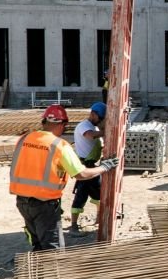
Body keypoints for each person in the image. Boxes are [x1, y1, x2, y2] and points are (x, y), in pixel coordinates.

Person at [8, 104, 117, 252]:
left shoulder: (23, 139)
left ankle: (38, 265)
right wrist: (105, 167)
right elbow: (81, 174)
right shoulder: (59, 145)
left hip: (22, 202)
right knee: (53, 250)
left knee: (38, 243)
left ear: (44, 121)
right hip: (44, 205)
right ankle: (49, 267)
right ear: (62, 125)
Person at [69, 101, 107, 235]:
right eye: (100, 118)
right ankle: (74, 226)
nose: (101, 121)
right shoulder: (84, 126)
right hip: (84, 167)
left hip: (92, 166)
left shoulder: (94, 127)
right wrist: (107, 131)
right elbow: (91, 135)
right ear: (93, 114)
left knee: (99, 194)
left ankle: (99, 218)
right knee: (81, 195)